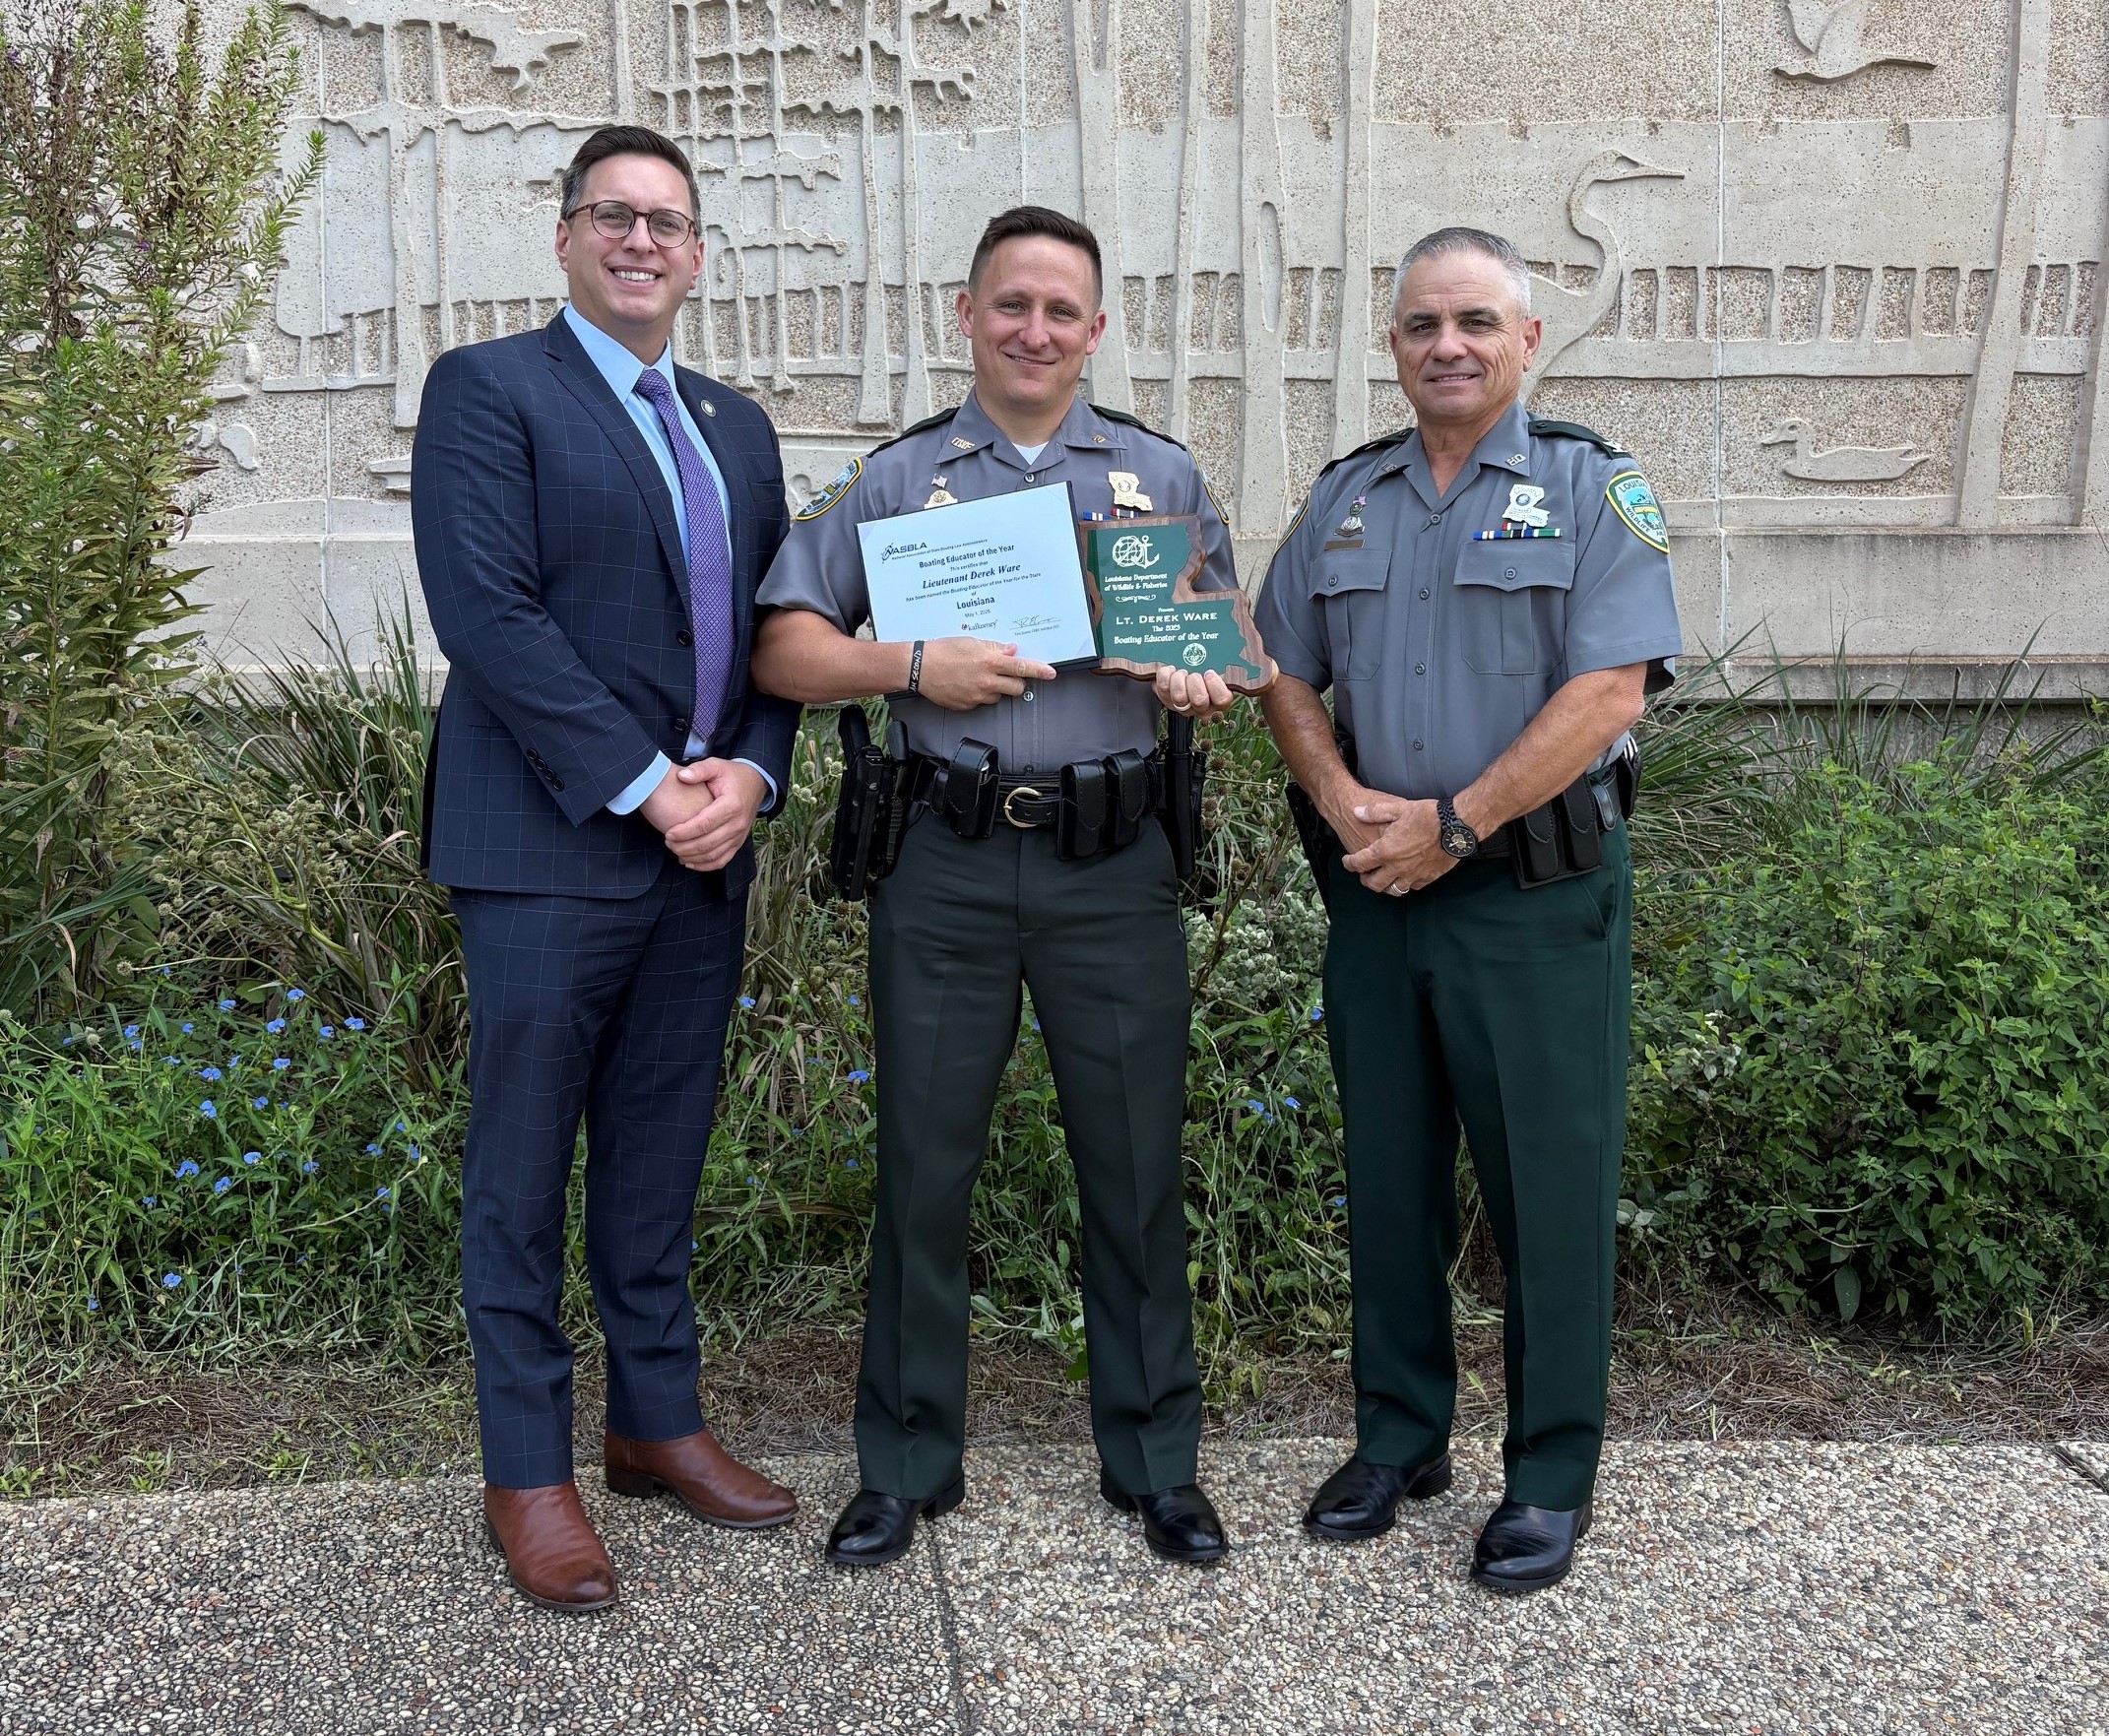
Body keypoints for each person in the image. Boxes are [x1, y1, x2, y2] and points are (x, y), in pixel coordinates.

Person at [751, 207, 1239, 1569]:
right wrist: (911, 668)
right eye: (1008, 303)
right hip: (947, 863)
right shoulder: (899, 481)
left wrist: (1205, 669)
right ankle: (906, 1464)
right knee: (923, 1164)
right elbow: (785, 650)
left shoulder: (1156, 474)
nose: (1034, 330)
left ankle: (1154, 1462)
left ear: (1095, 329)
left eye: (1060, 309)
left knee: (1135, 1164)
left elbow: (1227, 640)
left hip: (1111, 860)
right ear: (962, 316)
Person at [1253, 225, 1682, 1594]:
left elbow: (1608, 691)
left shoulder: (1589, 489)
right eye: (1421, 323)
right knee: (1387, 1177)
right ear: (1391, 344)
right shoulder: (1343, 502)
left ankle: (1550, 1474)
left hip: (1529, 899)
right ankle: (1399, 1439)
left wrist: (1454, 823)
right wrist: (1336, 800)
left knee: (1546, 1194)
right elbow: (1278, 671)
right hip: (1378, 894)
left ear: (1526, 342)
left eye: (1476, 323)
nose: (1447, 345)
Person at [412, 124, 801, 1614]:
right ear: (566, 236)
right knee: (520, 1166)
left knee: (656, 1149)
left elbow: (776, 629)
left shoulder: (735, 421)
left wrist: (752, 778)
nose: (642, 241)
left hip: (706, 847)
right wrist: (652, 790)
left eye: (669, 221)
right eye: (613, 215)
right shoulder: (490, 391)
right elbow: (491, 619)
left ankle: (652, 1422)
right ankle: (527, 1471)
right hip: (550, 845)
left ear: (697, 253)